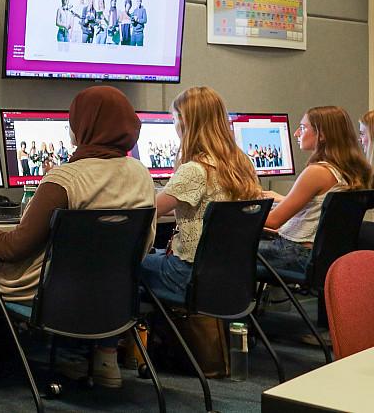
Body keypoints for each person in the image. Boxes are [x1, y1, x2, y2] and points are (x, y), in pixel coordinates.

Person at [0, 86, 155, 389]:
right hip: (111, 294)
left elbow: (12, 248)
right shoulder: (140, 174)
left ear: (83, 125)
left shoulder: (65, 179)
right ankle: (99, 356)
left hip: (48, 296)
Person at [141, 87, 262, 300]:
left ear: (186, 122)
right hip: (230, 275)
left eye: (174, 119)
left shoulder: (195, 170)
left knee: (123, 263)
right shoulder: (243, 164)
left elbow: (147, 213)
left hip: (187, 276)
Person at [261, 106, 374, 274]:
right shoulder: (354, 171)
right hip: (326, 256)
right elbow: (320, 208)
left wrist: (232, 215)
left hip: (298, 254)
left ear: (322, 135)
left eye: (303, 127)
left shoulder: (317, 172)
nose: (296, 134)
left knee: (233, 245)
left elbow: (273, 221)